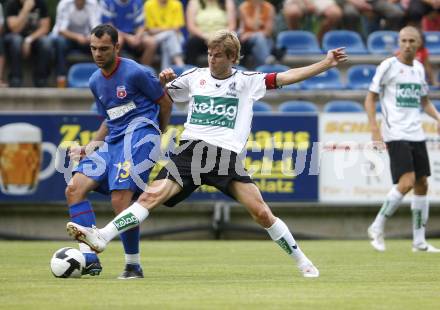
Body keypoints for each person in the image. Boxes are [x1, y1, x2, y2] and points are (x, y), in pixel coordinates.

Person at [66, 29, 347, 278]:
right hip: (190, 149)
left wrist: (325, 63)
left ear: (233, 58)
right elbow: (161, 96)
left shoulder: (248, 81)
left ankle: (303, 262)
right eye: (210, 54)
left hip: (225, 155)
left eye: (218, 56)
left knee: (261, 213)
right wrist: (164, 79)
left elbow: (287, 76)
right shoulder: (194, 77)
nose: (212, 60)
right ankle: (102, 236)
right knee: (151, 195)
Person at [65, 24, 173, 278]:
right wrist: (90, 146)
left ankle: (132, 264)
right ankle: (90, 259)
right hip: (113, 141)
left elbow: (165, 102)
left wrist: (158, 133)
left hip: (139, 138)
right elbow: (109, 117)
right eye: (93, 49)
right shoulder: (94, 81)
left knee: (120, 198)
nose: (98, 54)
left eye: (104, 49)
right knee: (73, 189)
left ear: (116, 47)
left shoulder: (136, 72)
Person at [365, 26, 440, 253]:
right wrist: (375, 130)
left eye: (411, 41)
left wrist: (438, 116)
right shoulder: (388, 66)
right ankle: (377, 226)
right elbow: (370, 99)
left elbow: (424, 102)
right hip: (395, 133)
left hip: (416, 133)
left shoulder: (418, 69)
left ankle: (419, 241)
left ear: (419, 44)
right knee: (406, 182)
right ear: (399, 42)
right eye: (403, 40)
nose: (407, 44)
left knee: (422, 183)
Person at [51, 0, 101, 88]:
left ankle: (102, 79)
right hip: (66, 38)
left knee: (99, 44)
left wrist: (90, 37)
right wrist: (78, 37)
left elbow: (96, 27)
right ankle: (61, 79)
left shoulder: (93, 4)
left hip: (86, 38)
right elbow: (61, 30)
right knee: (60, 43)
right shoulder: (64, 4)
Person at [3, 0, 52, 87]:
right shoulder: (11, 4)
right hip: (14, 38)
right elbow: (15, 29)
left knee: (46, 42)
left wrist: (28, 40)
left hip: (34, 38)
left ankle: (41, 79)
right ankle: (15, 79)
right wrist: (25, 10)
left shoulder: (41, 3)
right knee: (16, 41)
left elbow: (45, 28)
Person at [100, 0, 156, 65]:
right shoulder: (107, 2)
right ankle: (117, 72)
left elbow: (141, 25)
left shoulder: (137, 2)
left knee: (151, 43)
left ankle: (143, 72)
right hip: (115, 33)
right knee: (118, 42)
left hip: (133, 34)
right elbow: (108, 26)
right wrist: (126, 37)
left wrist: (137, 37)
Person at [185, 0, 236, 66]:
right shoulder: (194, 2)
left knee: (234, 40)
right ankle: (190, 69)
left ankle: (236, 68)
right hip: (201, 37)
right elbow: (191, 26)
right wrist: (206, 36)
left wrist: (220, 36)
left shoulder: (228, 2)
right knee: (193, 42)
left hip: (223, 36)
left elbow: (232, 25)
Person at [143, 0, 186, 70]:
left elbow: (177, 28)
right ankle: (180, 65)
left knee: (167, 42)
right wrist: (169, 29)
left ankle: (165, 71)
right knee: (170, 35)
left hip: (175, 36)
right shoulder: (149, 4)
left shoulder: (177, 4)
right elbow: (151, 30)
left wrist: (160, 29)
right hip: (154, 37)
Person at [238, 0, 276, 67]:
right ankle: (267, 62)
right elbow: (253, 26)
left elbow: (268, 32)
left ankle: (264, 65)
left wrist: (251, 34)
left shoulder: (269, 8)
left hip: (264, 39)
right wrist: (257, 8)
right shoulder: (244, 7)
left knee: (259, 41)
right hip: (247, 41)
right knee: (259, 38)